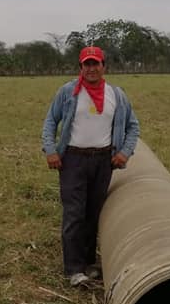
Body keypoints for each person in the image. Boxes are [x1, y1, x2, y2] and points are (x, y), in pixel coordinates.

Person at [42, 46, 140, 287]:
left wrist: (125, 152)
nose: (91, 68)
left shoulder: (116, 95)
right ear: (80, 68)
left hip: (103, 161)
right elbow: (51, 120)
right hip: (73, 159)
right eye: (87, 64)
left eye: (96, 63)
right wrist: (51, 150)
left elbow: (133, 126)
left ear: (104, 66)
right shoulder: (68, 92)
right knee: (74, 213)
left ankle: (88, 263)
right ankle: (74, 270)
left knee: (93, 213)